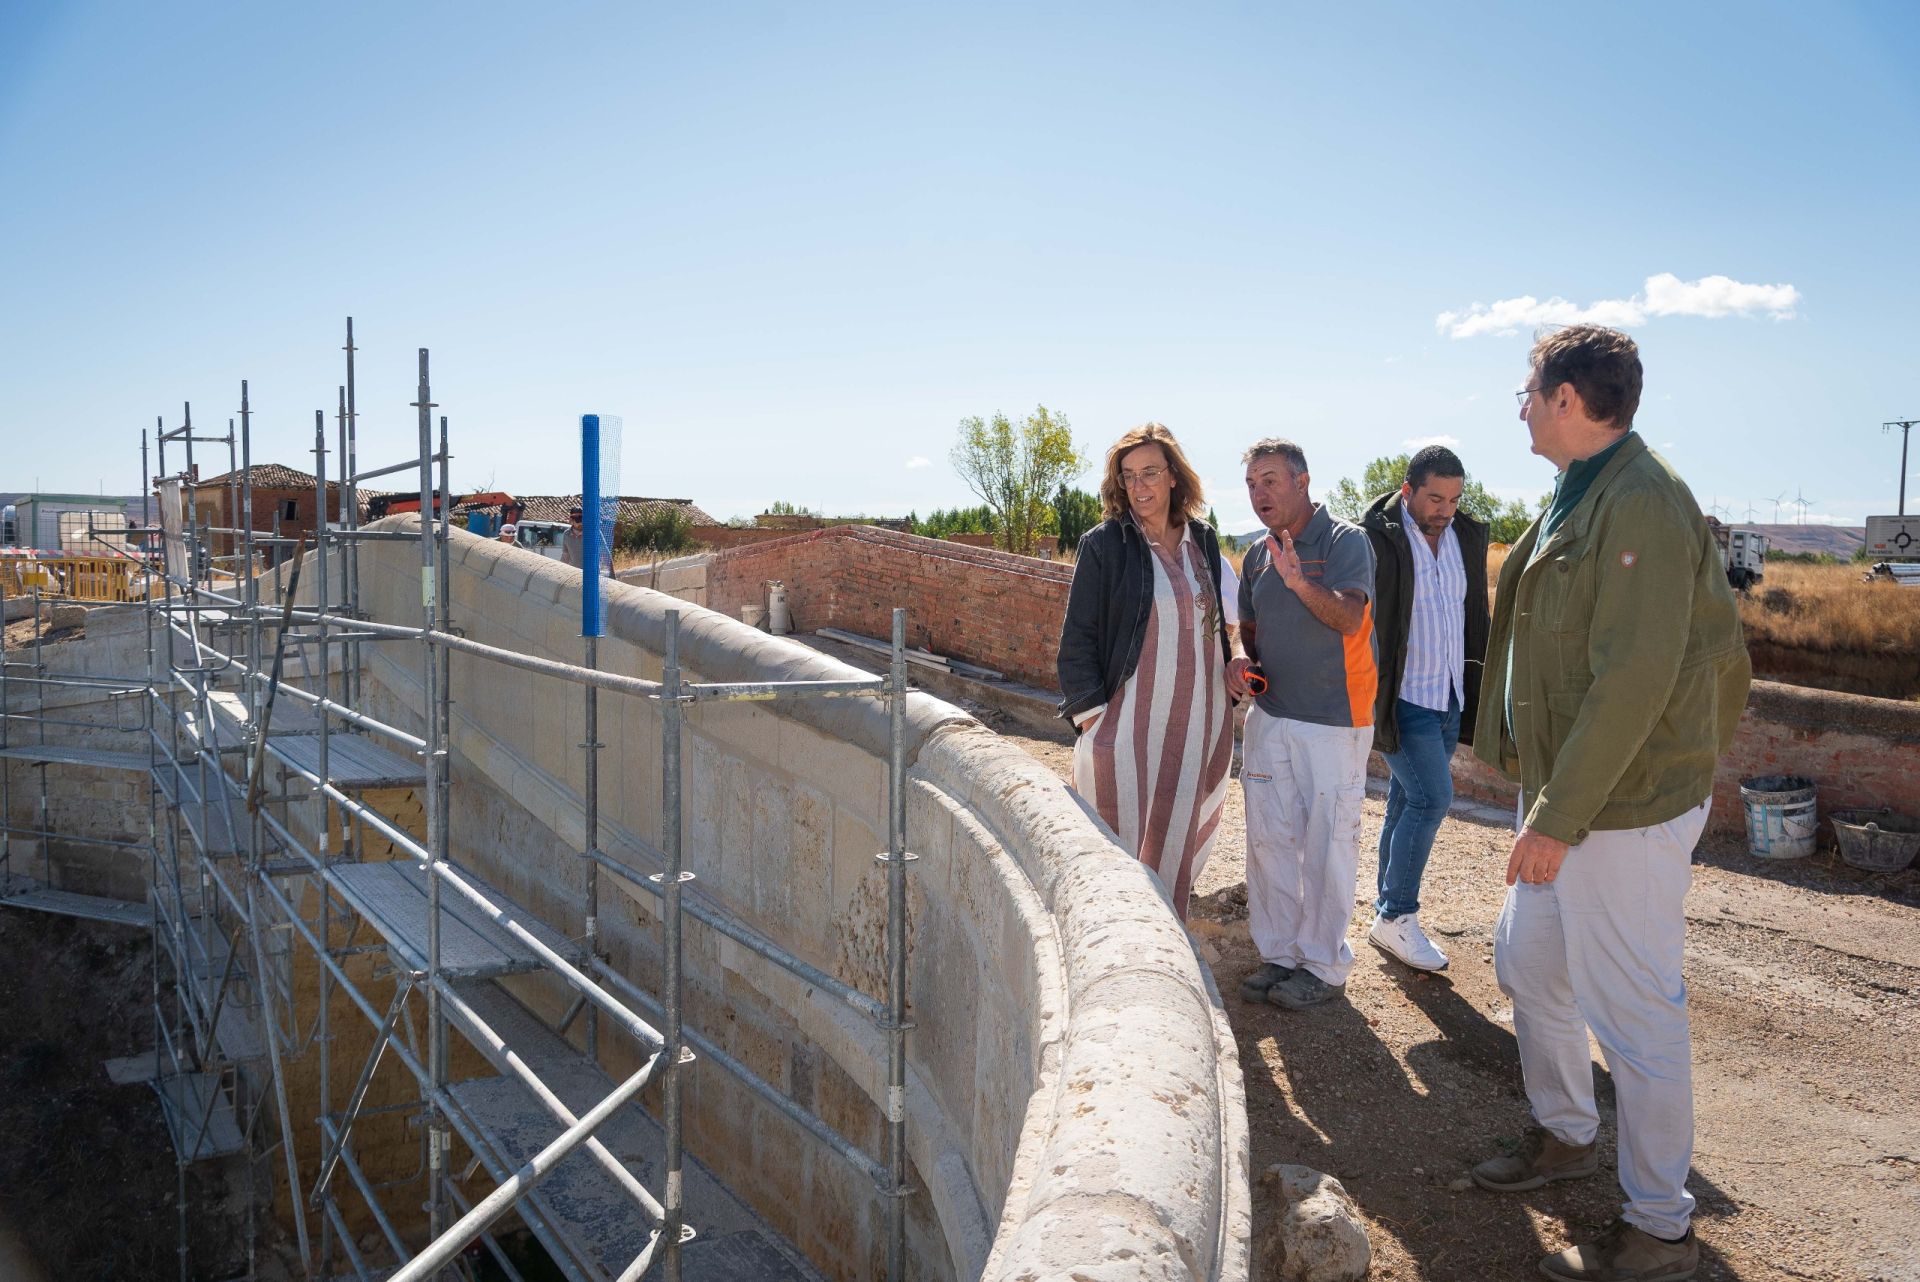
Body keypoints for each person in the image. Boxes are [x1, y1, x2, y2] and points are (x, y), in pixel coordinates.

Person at [1469, 325, 1750, 1282]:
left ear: (1568, 399)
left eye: (1528, 389)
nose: (1519, 405)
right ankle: (1564, 1131)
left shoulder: (1643, 501)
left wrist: (1557, 818)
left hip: (1618, 801)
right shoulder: (1581, 486)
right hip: (1572, 786)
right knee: (1529, 961)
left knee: (1636, 1012)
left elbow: (1633, 677)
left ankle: (1661, 1229)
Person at [1056, 422, 1237, 920]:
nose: (1139, 486)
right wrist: (1093, 719)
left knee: (1174, 836)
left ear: (1174, 477)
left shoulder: (1203, 540)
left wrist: (1233, 669)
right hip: (1126, 721)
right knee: (1113, 837)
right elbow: (1077, 638)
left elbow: (1219, 624)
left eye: (1150, 473)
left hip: (1196, 719)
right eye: (1129, 476)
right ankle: (1107, 933)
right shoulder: (1106, 545)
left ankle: (1163, 934)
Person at [1230, 439, 1378, 1011]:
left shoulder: (1345, 541)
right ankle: (1281, 954)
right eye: (1250, 484)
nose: (1259, 494)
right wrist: (1245, 663)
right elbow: (1251, 625)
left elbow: (1348, 616)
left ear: (1303, 481)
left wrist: (1298, 581)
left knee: (1328, 842)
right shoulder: (1257, 553)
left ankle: (1323, 963)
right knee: (1270, 839)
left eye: (1269, 480)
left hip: (1334, 720)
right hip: (1272, 718)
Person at [1360, 445, 1489, 971]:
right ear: (1408, 491)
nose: (1446, 510)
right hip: (1402, 695)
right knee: (1432, 800)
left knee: (1404, 798)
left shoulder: (1466, 537)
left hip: (1449, 692)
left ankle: (1383, 914)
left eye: (1455, 499)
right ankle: (1397, 916)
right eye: (1435, 498)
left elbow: (1472, 614)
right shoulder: (1375, 539)